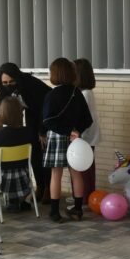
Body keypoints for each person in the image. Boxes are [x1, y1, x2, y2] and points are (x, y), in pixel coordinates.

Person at [41, 58, 93, 223]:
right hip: (75, 139)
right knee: (76, 173)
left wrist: (66, 131)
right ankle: (78, 210)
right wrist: (76, 131)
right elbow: (88, 119)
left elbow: (47, 120)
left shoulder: (51, 94)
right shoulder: (77, 93)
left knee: (56, 174)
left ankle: (55, 212)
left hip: (57, 136)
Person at [0, 62, 51, 198]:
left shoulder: (31, 84)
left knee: (43, 151)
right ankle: (40, 186)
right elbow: (3, 107)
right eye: (5, 83)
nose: (8, 85)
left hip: (44, 114)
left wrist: (42, 131)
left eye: (11, 82)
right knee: (34, 153)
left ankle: (48, 188)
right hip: (30, 113)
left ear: (17, 78)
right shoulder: (3, 87)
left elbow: (44, 109)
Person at [0, 97, 36, 211]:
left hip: (3, 179)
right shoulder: (29, 132)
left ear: (2, 114)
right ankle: (18, 202)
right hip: (23, 176)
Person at [74, 59, 100, 205]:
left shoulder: (84, 94)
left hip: (85, 136)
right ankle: (88, 197)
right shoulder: (87, 92)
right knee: (87, 168)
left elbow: (83, 118)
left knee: (83, 169)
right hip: (88, 136)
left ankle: (84, 198)